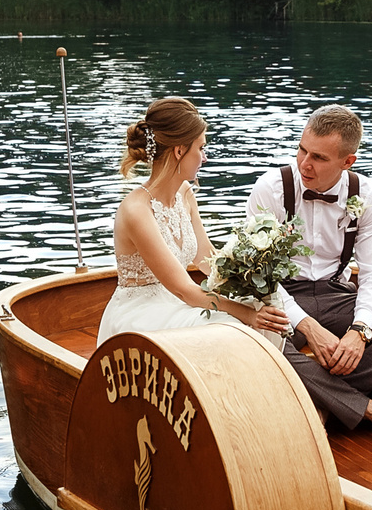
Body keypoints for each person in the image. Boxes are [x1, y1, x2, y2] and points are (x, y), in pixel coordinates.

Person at [245, 105, 372, 442]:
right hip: (282, 299)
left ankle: (323, 398)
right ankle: (368, 409)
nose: (304, 163)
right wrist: (307, 326)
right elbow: (258, 276)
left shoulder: (365, 194)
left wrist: (360, 330)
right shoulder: (272, 188)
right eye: (302, 149)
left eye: (319, 157)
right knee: (260, 342)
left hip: (337, 296)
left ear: (347, 162)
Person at [97, 96, 292, 346]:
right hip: (141, 312)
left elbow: (206, 258)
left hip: (175, 302)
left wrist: (253, 277)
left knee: (261, 305)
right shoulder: (137, 210)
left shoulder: (185, 194)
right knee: (233, 327)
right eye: (200, 148)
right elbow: (183, 289)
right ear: (180, 150)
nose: (205, 158)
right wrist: (249, 316)